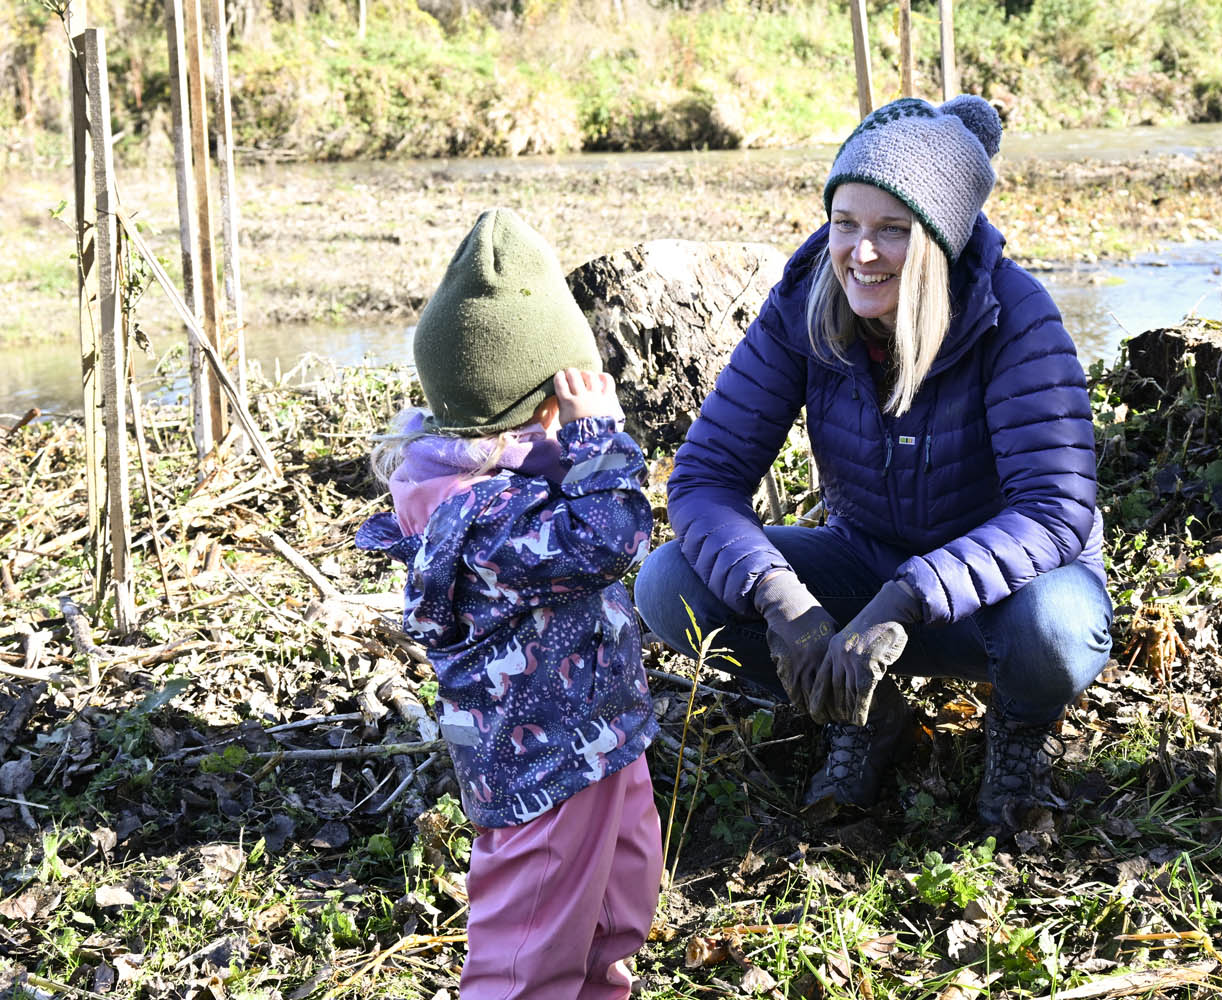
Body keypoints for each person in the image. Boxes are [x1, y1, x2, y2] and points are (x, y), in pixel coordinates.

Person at [633, 96, 1112, 829]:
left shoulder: (1014, 317)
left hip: (1004, 598)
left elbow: (1052, 512)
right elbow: (704, 478)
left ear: (940, 241)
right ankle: (860, 713)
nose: (861, 253)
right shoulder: (803, 306)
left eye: (892, 231)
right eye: (845, 224)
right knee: (672, 584)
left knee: (1056, 629)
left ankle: (1017, 733)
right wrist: (780, 597)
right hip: (862, 564)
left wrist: (906, 598)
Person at [356, 208, 660, 1000]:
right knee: (525, 954)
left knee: (613, 911)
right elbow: (612, 537)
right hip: (544, 766)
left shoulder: (499, 488)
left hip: (594, 740)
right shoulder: (490, 518)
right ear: (549, 407)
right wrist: (603, 442)